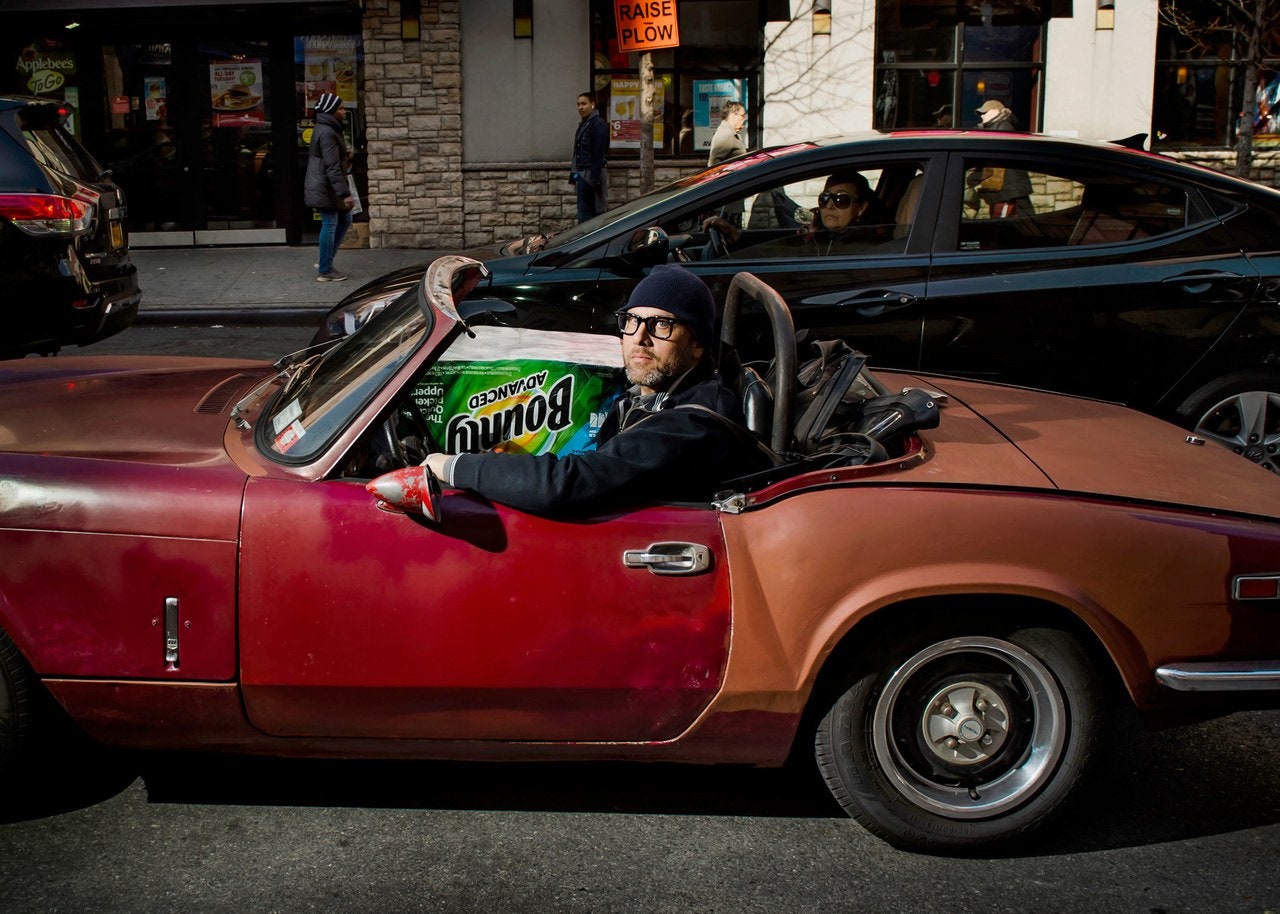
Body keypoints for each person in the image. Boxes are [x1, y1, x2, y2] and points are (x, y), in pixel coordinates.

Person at [423, 265, 770, 515]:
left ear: (697, 345)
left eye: (662, 325)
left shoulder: (691, 427)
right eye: (632, 320)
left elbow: (570, 485)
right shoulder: (651, 395)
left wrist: (454, 466)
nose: (640, 338)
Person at [304, 93, 354, 282]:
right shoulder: (327, 132)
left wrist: (345, 156)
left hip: (326, 184)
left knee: (345, 220)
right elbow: (331, 166)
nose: (344, 111)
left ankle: (325, 260)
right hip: (326, 186)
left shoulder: (329, 129)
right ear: (331, 111)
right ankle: (325, 270)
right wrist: (344, 194)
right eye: (340, 108)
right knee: (330, 223)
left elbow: (332, 160)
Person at [968, 100, 1034, 218]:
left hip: (1009, 190)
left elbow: (991, 156)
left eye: (984, 112)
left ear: (995, 112)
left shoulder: (1004, 128)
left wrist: (974, 177)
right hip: (1007, 190)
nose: (982, 116)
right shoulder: (995, 128)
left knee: (1002, 222)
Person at [571, 91, 609, 223]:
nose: (580, 107)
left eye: (583, 104)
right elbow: (577, 152)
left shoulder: (597, 123)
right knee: (584, 212)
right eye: (578, 104)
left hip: (591, 174)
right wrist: (574, 175)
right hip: (582, 174)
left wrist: (594, 178)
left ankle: (590, 242)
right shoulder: (584, 124)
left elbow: (599, 152)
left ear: (592, 105)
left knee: (592, 214)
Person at [708, 100, 747, 166]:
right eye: (743, 116)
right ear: (733, 115)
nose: (744, 119)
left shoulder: (731, 132)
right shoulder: (725, 134)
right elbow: (713, 165)